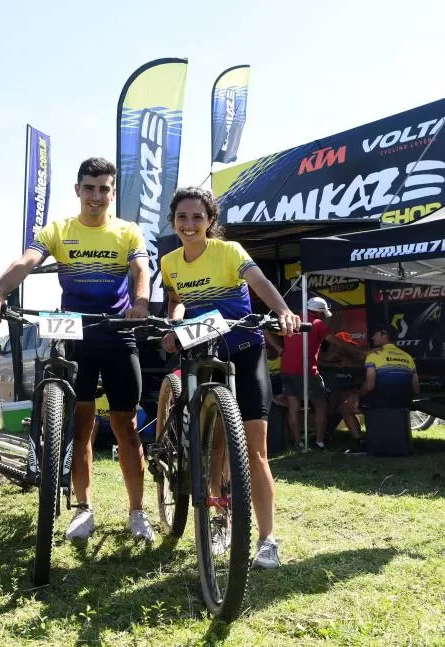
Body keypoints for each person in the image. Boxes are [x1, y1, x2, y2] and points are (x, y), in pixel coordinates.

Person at [0, 157, 153, 543]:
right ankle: (83, 508)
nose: (96, 196)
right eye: (89, 188)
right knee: (82, 426)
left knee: (127, 427)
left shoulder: (128, 231)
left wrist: (141, 302)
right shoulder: (58, 229)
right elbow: (27, 260)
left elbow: (142, 270)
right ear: (78, 190)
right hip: (76, 337)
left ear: (111, 192)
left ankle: (138, 512)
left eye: (103, 188)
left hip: (118, 332)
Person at [159, 186, 300, 569]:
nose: (189, 225)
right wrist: (172, 327)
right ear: (173, 220)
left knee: (255, 451)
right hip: (202, 352)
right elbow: (175, 301)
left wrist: (284, 311)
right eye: (182, 217)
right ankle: (220, 519)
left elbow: (262, 286)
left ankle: (267, 538)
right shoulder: (169, 261)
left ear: (210, 222)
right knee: (216, 447)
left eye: (198, 217)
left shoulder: (230, 252)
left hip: (244, 350)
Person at [271, 296, 359, 450]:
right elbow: (337, 342)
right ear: (319, 313)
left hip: (286, 370)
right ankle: (319, 443)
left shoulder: (292, 319)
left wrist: (279, 349)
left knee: (293, 406)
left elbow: (265, 330)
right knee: (321, 405)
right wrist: (359, 352)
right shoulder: (318, 324)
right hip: (308, 371)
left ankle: (298, 443)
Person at [341, 323, 420, 439]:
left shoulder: (374, 355)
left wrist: (357, 395)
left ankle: (360, 442)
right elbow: (416, 389)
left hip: (381, 401)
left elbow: (370, 385)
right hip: (404, 402)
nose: (372, 338)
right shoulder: (408, 357)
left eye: (375, 334)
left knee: (345, 407)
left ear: (385, 334)